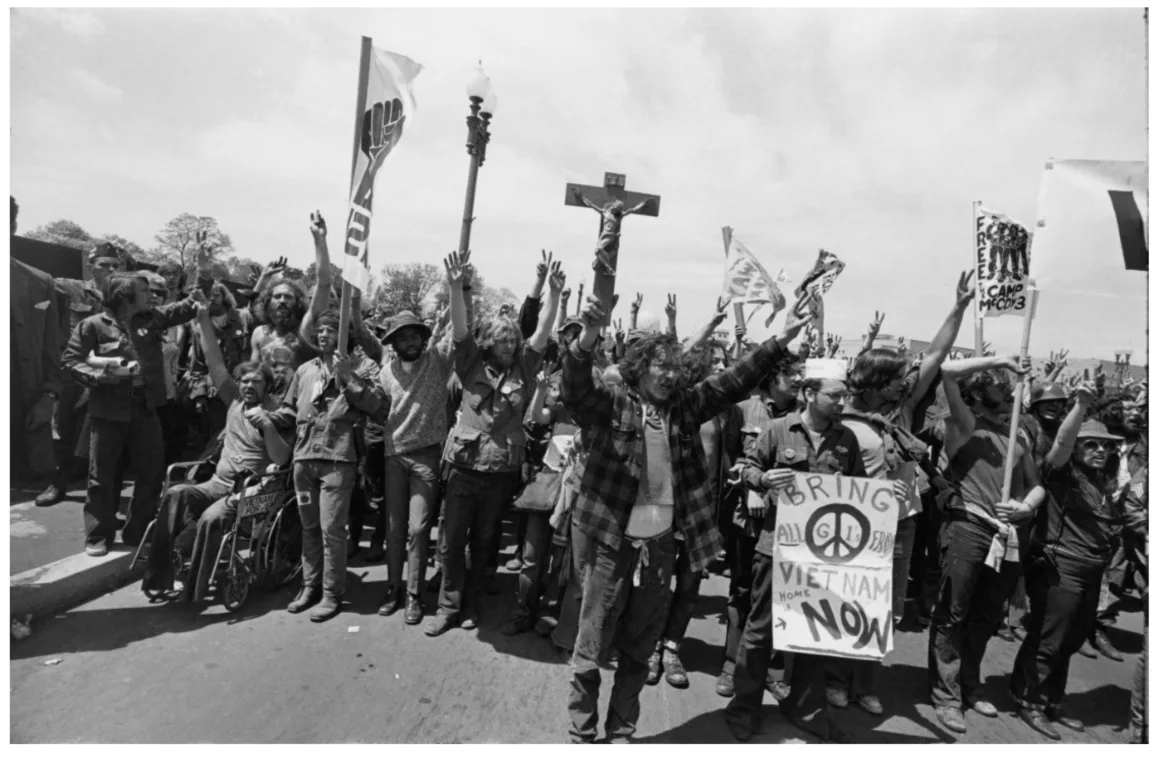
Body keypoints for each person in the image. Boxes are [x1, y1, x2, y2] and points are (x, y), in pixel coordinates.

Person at [561, 289, 808, 744]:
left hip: (658, 549)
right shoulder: (614, 401)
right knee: (592, 645)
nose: (670, 372)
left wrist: (781, 338)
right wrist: (588, 338)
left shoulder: (685, 408)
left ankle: (621, 730)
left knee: (639, 648)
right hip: (611, 545)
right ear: (640, 368)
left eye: (675, 366)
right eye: (661, 364)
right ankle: (581, 731)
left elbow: (734, 380)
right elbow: (574, 388)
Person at [726, 359, 879, 744]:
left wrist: (876, 493)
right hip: (775, 546)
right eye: (834, 394)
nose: (841, 401)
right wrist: (761, 479)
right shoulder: (778, 429)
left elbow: (860, 490)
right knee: (760, 633)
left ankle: (806, 709)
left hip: (822, 556)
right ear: (809, 394)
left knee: (813, 634)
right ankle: (744, 708)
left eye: (844, 394)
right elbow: (746, 467)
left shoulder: (847, 439)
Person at [426, 250, 563, 637]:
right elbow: (459, 329)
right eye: (500, 339)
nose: (506, 345)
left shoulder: (524, 366)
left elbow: (541, 334)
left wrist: (553, 295)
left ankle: (470, 606)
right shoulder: (469, 362)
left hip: (500, 471)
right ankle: (447, 607)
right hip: (464, 469)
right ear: (489, 341)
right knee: (452, 541)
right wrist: (455, 287)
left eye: (511, 340)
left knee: (484, 543)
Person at [1009, 385, 1139, 738]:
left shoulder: (1105, 478)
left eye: (1107, 445)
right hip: (1059, 566)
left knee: (1071, 639)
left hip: (1091, 568)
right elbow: (1061, 445)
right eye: (1092, 444)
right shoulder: (1060, 473)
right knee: (1049, 639)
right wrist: (1080, 406)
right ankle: (1028, 700)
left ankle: (1052, 700)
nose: (1101, 450)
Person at [928, 353, 1045, 735]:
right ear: (977, 394)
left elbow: (1037, 485)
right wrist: (1000, 359)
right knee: (954, 611)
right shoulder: (964, 423)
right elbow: (946, 371)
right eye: (998, 383)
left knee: (986, 617)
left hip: (1006, 535)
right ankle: (946, 696)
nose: (1008, 387)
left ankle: (969, 685)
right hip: (968, 526)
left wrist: (1026, 507)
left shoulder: (1018, 435)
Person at [143, 304, 292, 599]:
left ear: (268, 385)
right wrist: (202, 319)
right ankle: (159, 576)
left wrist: (268, 426)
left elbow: (282, 459)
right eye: (244, 381)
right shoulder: (235, 400)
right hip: (218, 484)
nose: (248, 385)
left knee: (211, 518)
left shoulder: (279, 412)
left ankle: (193, 590)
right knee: (176, 494)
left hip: (255, 489)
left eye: (256, 381)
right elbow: (214, 361)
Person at [61, 264, 210, 556]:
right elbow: (71, 360)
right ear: (124, 295)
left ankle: (137, 531)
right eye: (144, 291)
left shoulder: (152, 319)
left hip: (146, 409)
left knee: (152, 473)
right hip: (107, 411)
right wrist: (101, 375)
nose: (152, 296)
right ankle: (98, 534)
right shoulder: (93, 325)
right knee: (101, 476)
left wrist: (200, 272)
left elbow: (187, 307)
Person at [276, 305, 386, 623]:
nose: (323, 334)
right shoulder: (305, 370)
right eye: (320, 331)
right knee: (309, 528)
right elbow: (288, 410)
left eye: (330, 330)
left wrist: (348, 376)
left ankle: (331, 593)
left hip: (338, 460)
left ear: (344, 335)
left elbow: (376, 405)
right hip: (303, 460)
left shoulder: (363, 367)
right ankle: (309, 587)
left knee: (331, 530)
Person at [716, 348, 803, 699]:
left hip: (790, 523)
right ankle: (731, 663)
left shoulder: (803, 417)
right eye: (792, 374)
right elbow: (732, 456)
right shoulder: (744, 410)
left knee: (784, 594)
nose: (799, 380)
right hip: (746, 517)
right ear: (773, 378)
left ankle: (771, 669)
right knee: (741, 589)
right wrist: (750, 487)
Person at [36, 241, 131, 507]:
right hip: (77, 373)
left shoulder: (126, 297)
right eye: (104, 265)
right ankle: (58, 483)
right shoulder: (71, 287)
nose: (111, 269)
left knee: (109, 435)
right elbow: (40, 285)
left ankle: (103, 493)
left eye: (116, 265)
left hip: (114, 374)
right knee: (67, 429)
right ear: (92, 267)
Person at [375, 310, 455, 625]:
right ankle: (394, 588)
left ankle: (414, 594)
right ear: (392, 343)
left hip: (426, 457)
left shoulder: (436, 362)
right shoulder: (384, 373)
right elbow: (374, 407)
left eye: (414, 335)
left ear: (423, 338)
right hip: (393, 456)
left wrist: (459, 288)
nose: (409, 341)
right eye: (401, 336)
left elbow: (461, 330)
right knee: (393, 529)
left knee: (418, 528)